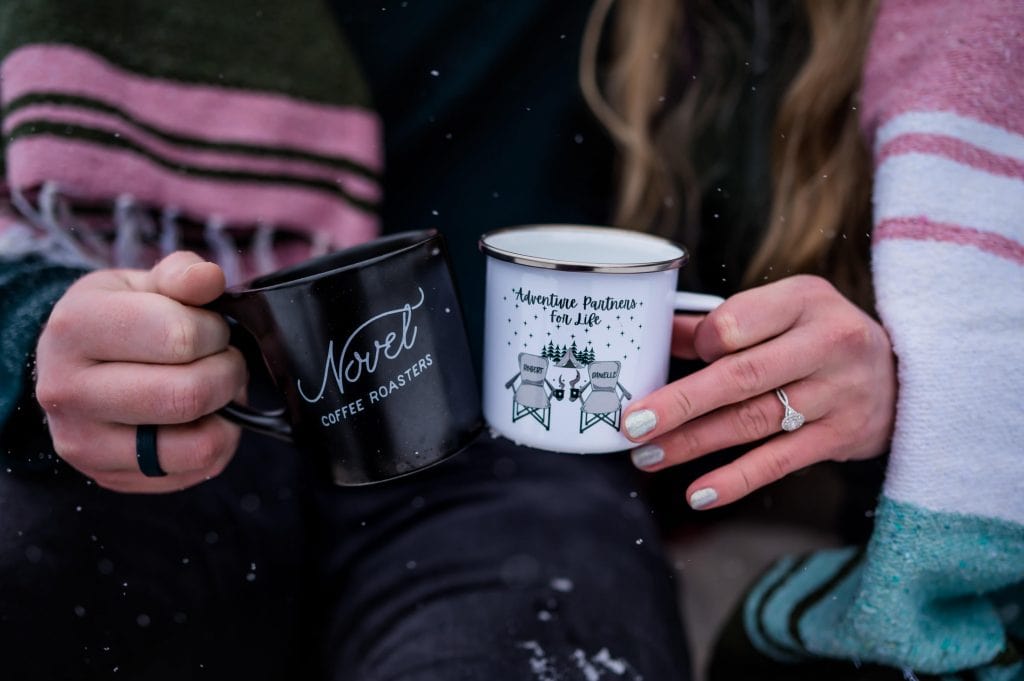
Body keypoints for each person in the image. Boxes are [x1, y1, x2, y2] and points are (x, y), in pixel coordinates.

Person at [0, 1, 692, 679]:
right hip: (175, 433)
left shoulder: (694, 35)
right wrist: (34, 331)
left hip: (513, 464)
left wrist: (778, 348)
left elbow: (761, 217)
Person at [580, 0, 1023, 678]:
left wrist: (926, 392)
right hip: (660, 522)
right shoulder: (620, 30)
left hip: (894, 550)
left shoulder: (980, 28)